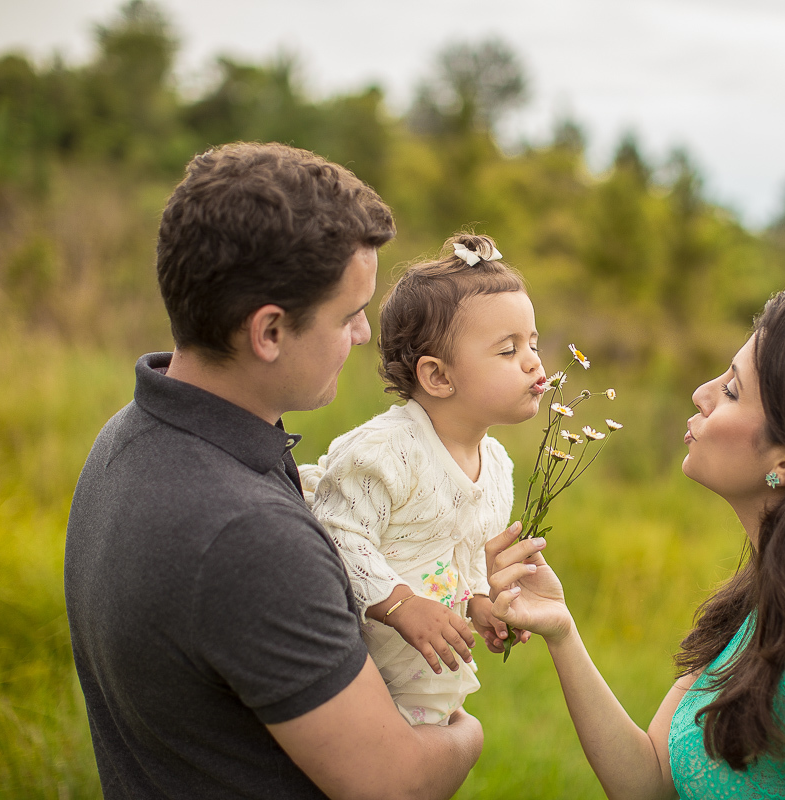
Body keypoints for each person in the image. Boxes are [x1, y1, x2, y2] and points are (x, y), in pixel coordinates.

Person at [65, 142, 483, 800]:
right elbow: (392, 782)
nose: (365, 335)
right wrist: (467, 731)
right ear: (269, 332)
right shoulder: (248, 536)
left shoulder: (129, 436)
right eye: (349, 314)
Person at [486, 285, 785, 800]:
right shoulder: (771, 601)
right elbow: (651, 783)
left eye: (732, 391)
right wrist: (562, 628)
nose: (701, 394)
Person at [299, 233, 543, 726]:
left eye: (533, 344)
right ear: (438, 377)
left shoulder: (495, 464)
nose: (534, 362)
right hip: (358, 677)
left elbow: (465, 556)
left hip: (423, 681)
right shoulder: (388, 452)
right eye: (507, 350)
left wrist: (479, 605)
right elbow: (335, 533)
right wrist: (402, 605)